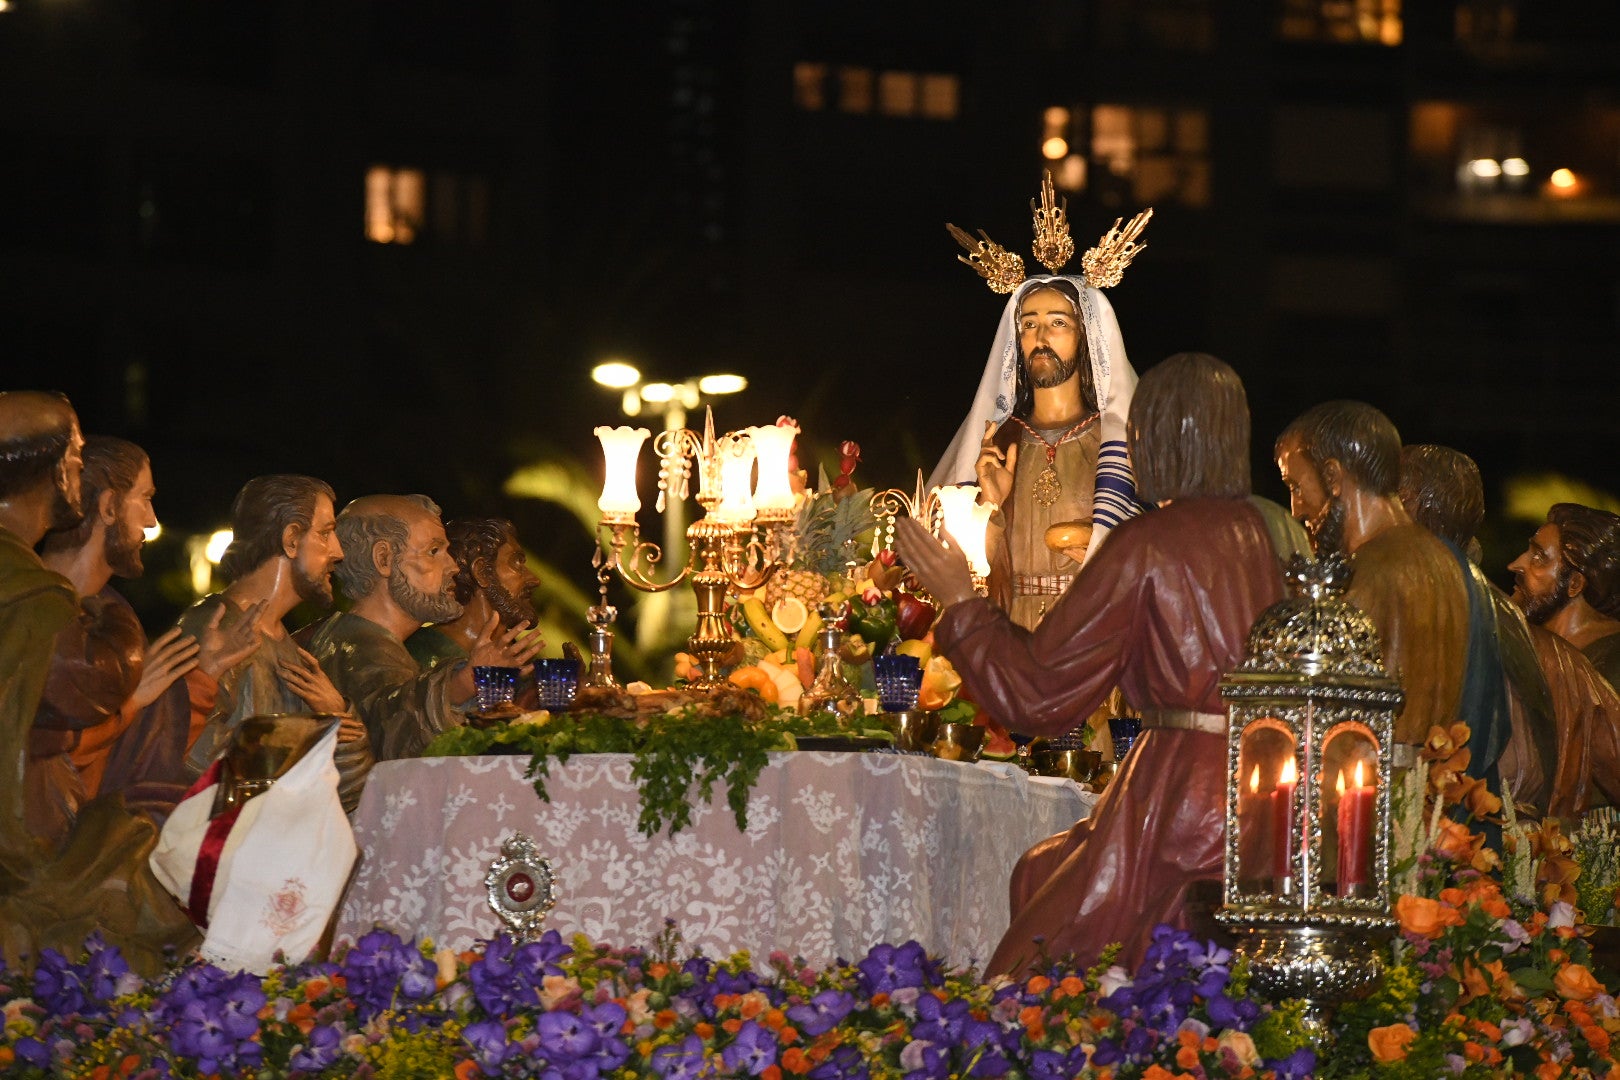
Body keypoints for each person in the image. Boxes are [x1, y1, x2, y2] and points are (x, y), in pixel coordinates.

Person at [898, 353, 1298, 974]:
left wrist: (959, 600)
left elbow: (1039, 694)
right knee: (1042, 872)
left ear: (1157, 436)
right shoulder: (1274, 532)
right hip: (1275, 786)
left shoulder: (1150, 542)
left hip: (1181, 797)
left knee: (1047, 959)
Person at [0, 391, 194, 973]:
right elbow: (84, 684)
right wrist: (116, 628)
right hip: (26, 832)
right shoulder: (31, 591)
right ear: (61, 470)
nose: (78, 478)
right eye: (77, 461)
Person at [930, 182, 1144, 629]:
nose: (1041, 337)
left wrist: (1105, 544)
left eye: (1058, 323)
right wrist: (991, 509)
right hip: (1013, 631)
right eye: (1029, 324)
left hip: (1095, 631)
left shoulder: (1120, 440)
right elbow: (964, 567)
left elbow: (1160, 544)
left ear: (1086, 339)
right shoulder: (998, 441)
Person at [31, 437, 233, 835]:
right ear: (108, 507)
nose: (152, 521)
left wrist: (202, 676)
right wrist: (134, 701)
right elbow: (31, 748)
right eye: (144, 499)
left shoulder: (115, 614)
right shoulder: (33, 608)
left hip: (95, 838)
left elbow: (142, 748)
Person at [179, 474, 373, 811]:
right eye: (325, 534)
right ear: (291, 539)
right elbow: (185, 750)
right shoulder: (212, 628)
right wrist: (305, 737)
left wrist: (337, 716)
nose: (338, 552)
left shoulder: (292, 651)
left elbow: (350, 794)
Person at [302, 495, 545, 760]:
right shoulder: (357, 649)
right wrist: (462, 683)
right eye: (434, 551)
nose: (453, 567)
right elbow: (387, 741)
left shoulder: (373, 643)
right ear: (383, 559)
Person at [1508, 503, 1620, 689]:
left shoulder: (1610, 665)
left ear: (1574, 584)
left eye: (1539, 557)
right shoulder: (1524, 645)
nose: (1515, 565)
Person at [406, 517, 541, 671]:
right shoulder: (416, 657)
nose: (534, 580)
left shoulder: (519, 664)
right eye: (517, 563)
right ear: (481, 572)